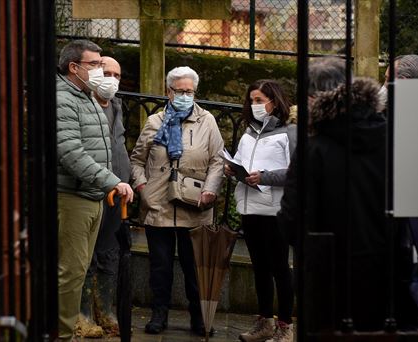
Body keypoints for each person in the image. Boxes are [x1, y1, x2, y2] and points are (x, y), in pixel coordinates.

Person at [278, 57, 389, 331]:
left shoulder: (312, 150)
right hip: (383, 275)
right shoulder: (390, 139)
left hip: (326, 280)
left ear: (314, 98)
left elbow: (291, 221)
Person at [130, 66, 224, 337]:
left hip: (194, 205)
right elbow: (137, 159)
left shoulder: (207, 121)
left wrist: (211, 189)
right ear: (168, 91)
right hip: (158, 204)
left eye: (189, 91)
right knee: (160, 267)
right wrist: (141, 186)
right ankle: (159, 314)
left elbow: (218, 160)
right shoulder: (155, 121)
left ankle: (199, 317)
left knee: (194, 267)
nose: (185, 95)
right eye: (179, 91)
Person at [56, 39, 134, 340]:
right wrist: (111, 180)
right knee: (71, 271)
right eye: (95, 65)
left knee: (78, 269)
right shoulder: (63, 98)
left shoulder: (85, 95)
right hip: (73, 195)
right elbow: (71, 152)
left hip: (92, 196)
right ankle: (61, 333)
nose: (101, 71)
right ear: (74, 67)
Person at [224, 80, 296, 342]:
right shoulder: (248, 134)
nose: (254, 105)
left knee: (279, 268)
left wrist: (264, 177)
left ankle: (286, 326)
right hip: (249, 206)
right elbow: (243, 164)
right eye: (251, 100)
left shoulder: (289, 133)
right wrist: (233, 170)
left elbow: (297, 172)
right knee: (260, 268)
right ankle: (264, 321)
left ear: (274, 102)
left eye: (259, 100)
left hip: (274, 211)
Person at [78, 56, 130, 337]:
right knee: (87, 256)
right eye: (105, 72)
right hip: (91, 191)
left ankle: (105, 311)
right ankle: (82, 314)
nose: (111, 79)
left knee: (109, 253)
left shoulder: (118, 107)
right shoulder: (83, 105)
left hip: (118, 195)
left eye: (117, 75)